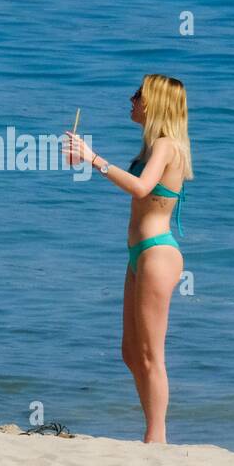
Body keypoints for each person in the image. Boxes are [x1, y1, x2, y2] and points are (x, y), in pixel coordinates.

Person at [63, 74, 192, 444]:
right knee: (131, 351)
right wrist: (88, 161)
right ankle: (153, 429)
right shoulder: (151, 148)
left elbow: (140, 187)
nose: (131, 99)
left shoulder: (167, 145)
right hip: (140, 253)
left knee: (151, 353)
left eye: (139, 95)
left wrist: (93, 159)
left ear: (156, 103)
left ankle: (156, 437)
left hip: (157, 253)